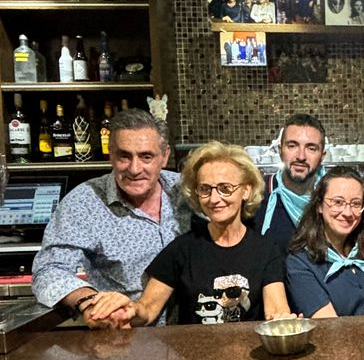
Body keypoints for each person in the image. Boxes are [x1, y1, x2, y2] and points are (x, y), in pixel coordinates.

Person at [88, 142, 292, 325]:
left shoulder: (265, 250)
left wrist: (284, 321)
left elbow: (276, 312)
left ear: (246, 190)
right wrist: (129, 310)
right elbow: (148, 309)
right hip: (193, 358)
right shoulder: (183, 248)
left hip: (249, 358)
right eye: (205, 189)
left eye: (225, 188)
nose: (214, 199)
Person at [31, 109, 191, 328]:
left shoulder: (189, 191)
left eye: (146, 156)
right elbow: (49, 270)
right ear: (110, 155)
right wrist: (89, 302)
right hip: (127, 335)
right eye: (124, 156)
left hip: (197, 330)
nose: (135, 169)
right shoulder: (84, 202)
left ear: (164, 156)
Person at [285, 167, 364, 317]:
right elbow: (329, 327)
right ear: (319, 205)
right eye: (338, 202)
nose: (347, 213)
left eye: (356, 203)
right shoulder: (300, 263)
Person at [249, 113, 327, 255]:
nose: (301, 156)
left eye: (311, 148)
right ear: (280, 151)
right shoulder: (256, 195)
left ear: (322, 155)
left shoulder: (334, 199)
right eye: (292, 146)